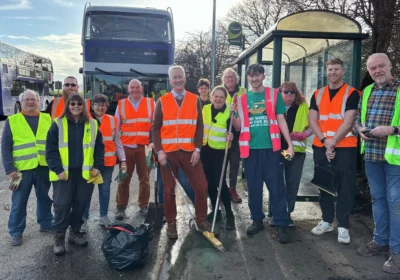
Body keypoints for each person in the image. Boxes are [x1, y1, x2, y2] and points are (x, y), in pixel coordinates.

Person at [231, 64, 293, 243]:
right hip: (250, 150)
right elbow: (238, 126)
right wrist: (233, 114)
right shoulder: (242, 99)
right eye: (250, 76)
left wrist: (289, 145)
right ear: (247, 78)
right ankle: (257, 219)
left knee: (277, 188)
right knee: (254, 187)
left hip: (271, 150)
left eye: (257, 75)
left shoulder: (274, 95)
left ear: (263, 76)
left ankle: (281, 223)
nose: (253, 79)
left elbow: (281, 120)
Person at [152, 65, 210, 239]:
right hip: (168, 154)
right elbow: (155, 128)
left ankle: (201, 220)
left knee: (201, 186)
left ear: (185, 78)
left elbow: (199, 126)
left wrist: (198, 149)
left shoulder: (194, 100)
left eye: (180, 77)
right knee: (168, 190)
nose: (177, 80)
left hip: (189, 152)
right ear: (170, 80)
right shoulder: (162, 101)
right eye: (174, 77)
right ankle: (171, 224)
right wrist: (159, 151)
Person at [355, 53, 400, 274]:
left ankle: (397, 252)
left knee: (395, 203)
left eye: (381, 66)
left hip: (396, 160)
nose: (377, 71)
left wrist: (392, 130)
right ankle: (380, 241)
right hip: (372, 156)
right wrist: (359, 130)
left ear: (390, 65)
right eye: (372, 68)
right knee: (378, 200)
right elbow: (357, 120)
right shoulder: (368, 91)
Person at [308, 58, 360, 244]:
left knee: (345, 186)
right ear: (326, 72)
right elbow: (312, 119)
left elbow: (349, 121)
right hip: (321, 145)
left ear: (342, 71)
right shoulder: (318, 94)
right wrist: (324, 141)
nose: (333, 73)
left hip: (345, 146)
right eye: (330, 69)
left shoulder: (352, 93)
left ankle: (343, 225)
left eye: (336, 69)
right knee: (324, 185)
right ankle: (327, 221)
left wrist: (332, 143)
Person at [46, 93, 104, 256]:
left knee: (80, 205)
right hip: (64, 174)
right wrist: (58, 169)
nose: (76, 106)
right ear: (68, 106)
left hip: (84, 174)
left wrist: (98, 165)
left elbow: (99, 148)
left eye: (79, 104)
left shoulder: (93, 124)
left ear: (83, 106)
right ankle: (59, 238)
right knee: (62, 206)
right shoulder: (58, 124)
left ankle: (75, 232)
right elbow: (50, 150)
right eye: (72, 104)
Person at [1, 90, 53, 246]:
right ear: (21, 102)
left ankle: (46, 223)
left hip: (43, 167)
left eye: (33, 99)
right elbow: (5, 147)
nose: (30, 102)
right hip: (21, 171)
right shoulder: (13, 120)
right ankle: (16, 232)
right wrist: (10, 169)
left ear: (38, 101)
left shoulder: (47, 118)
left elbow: (53, 143)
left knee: (44, 199)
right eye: (27, 100)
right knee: (19, 202)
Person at [82, 94, 127, 230]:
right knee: (86, 191)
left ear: (107, 106)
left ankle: (103, 216)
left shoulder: (113, 120)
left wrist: (123, 159)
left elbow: (118, 142)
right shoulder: (85, 119)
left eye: (103, 105)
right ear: (92, 106)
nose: (100, 107)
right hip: (89, 163)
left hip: (107, 163)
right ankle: (84, 218)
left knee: (105, 190)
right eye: (97, 104)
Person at [114, 79, 153, 219]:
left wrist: (153, 143)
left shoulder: (150, 103)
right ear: (128, 89)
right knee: (123, 178)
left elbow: (155, 126)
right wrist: (118, 150)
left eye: (137, 87)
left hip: (146, 148)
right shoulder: (121, 105)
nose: (135, 90)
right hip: (126, 148)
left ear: (141, 88)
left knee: (145, 179)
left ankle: (143, 206)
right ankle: (120, 206)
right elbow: (116, 128)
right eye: (132, 88)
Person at [201, 86, 235, 229]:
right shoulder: (205, 109)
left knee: (220, 181)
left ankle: (229, 213)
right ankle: (216, 210)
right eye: (216, 96)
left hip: (221, 151)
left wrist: (232, 135)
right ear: (212, 96)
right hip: (206, 149)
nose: (218, 99)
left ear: (225, 98)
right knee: (209, 182)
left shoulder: (230, 112)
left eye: (221, 97)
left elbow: (235, 130)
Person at [222, 67, 247, 203]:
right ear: (223, 80)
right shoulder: (219, 91)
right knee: (221, 163)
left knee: (235, 162)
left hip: (238, 133)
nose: (229, 79)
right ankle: (221, 189)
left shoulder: (244, 92)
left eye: (232, 77)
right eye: (227, 77)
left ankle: (232, 188)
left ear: (236, 78)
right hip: (221, 132)